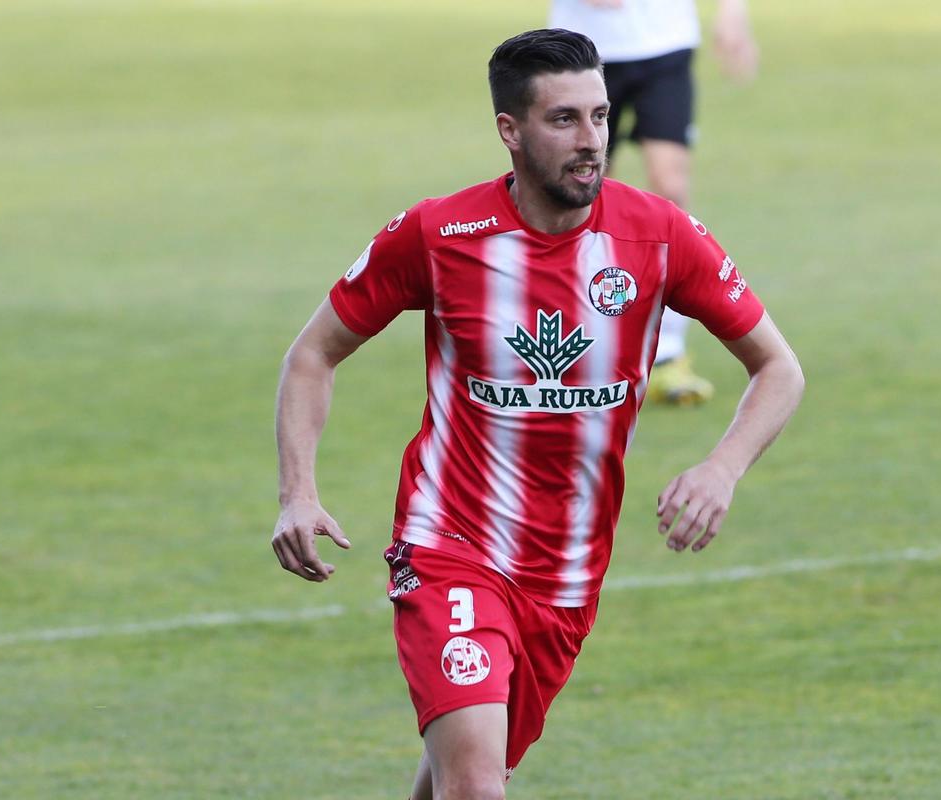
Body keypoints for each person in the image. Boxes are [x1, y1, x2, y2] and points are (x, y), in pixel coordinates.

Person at [271, 29, 803, 800]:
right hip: (449, 545)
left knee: (456, 783)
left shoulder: (657, 235)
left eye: (599, 115)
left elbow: (779, 368)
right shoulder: (440, 235)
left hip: (565, 579)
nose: (592, 141)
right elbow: (311, 354)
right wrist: (298, 490)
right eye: (565, 121)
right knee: (478, 786)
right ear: (509, 131)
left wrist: (722, 467)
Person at [549, 0, 759, 406]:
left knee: (671, 188)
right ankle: (566, 341)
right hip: (583, 53)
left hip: (666, 42)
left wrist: (733, 12)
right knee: (576, 193)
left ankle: (668, 353)